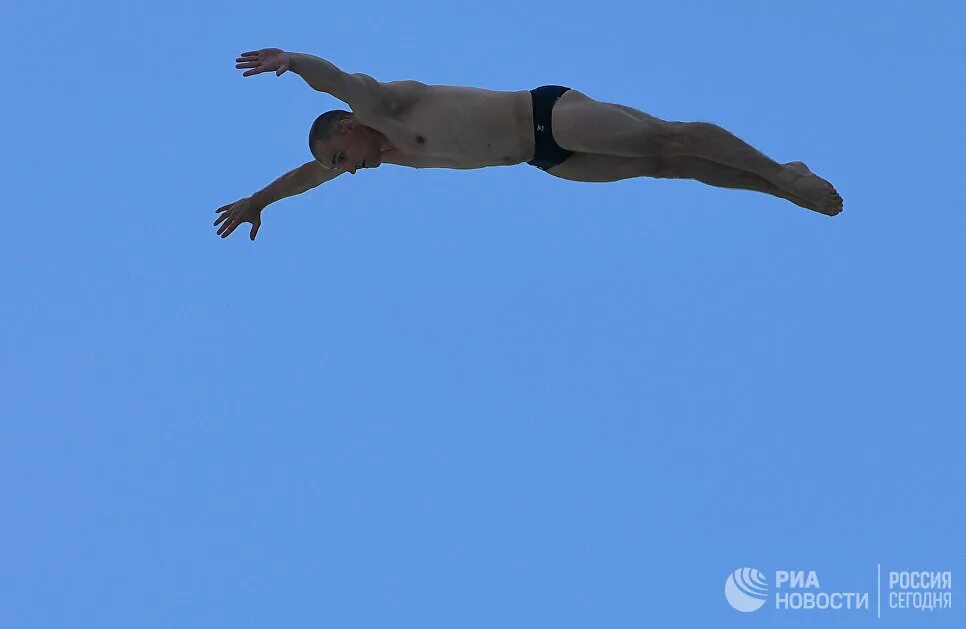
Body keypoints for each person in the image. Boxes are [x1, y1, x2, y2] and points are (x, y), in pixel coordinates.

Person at [215, 48, 843, 240]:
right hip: (547, 159)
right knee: (665, 165)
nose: (346, 172)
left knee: (665, 135)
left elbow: (341, 81)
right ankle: (778, 183)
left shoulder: (386, 108)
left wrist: (295, 62)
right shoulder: (385, 156)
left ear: (347, 127)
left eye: (341, 159)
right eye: (338, 169)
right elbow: (305, 175)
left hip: (549, 116)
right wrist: (257, 200)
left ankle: (782, 174)